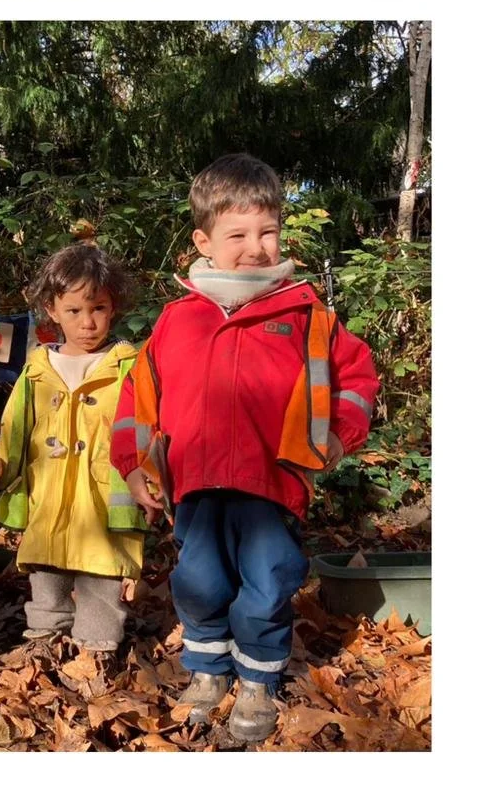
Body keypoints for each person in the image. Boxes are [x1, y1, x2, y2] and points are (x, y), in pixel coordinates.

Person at [111, 155, 379, 744]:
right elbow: (138, 395)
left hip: (273, 478)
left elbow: (356, 378)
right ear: (203, 241)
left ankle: (257, 678)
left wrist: (338, 435)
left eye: (268, 232)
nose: (256, 247)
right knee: (199, 580)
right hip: (196, 481)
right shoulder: (177, 319)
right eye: (237, 234)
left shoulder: (307, 314)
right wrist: (134, 465)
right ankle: (208, 670)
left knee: (269, 579)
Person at [0, 243, 145, 657]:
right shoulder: (38, 369)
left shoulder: (129, 367)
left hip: (104, 505)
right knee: (45, 577)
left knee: (102, 580)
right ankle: (44, 642)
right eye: (74, 311)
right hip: (47, 501)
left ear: (113, 306)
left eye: (97, 308)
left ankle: (97, 652)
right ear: (51, 309)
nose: (87, 322)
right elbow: (14, 432)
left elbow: (146, 432)